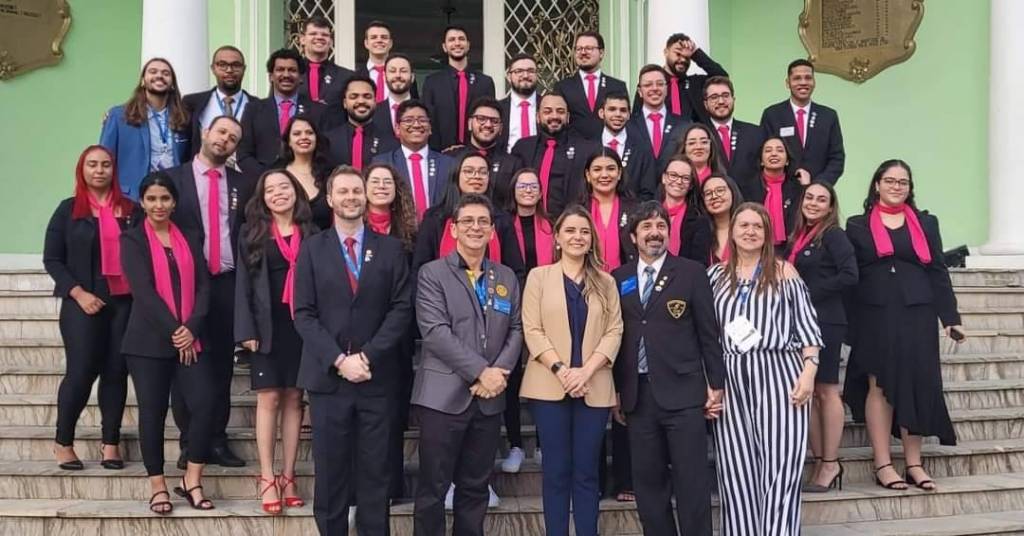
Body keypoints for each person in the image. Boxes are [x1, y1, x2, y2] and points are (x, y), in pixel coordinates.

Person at [293, 166, 413, 535]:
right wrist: (340, 360)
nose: (351, 197)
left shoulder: (391, 249)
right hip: (329, 381)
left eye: (356, 191)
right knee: (331, 474)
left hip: (377, 378)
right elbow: (303, 313)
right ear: (330, 199)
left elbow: (401, 308)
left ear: (366, 196)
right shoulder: (312, 249)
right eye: (343, 192)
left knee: (376, 473)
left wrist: (367, 356)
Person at [844, 160, 964, 491]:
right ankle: (883, 464)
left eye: (903, 182)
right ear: (877, 184)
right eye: (890, 180)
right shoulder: (857, 225)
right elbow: (852, 277)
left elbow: (937, 270)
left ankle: (913, 464)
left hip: (918, 311)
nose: (896, 186)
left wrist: (950, 318)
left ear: (910, 187)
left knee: (918, 384)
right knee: (879, 385)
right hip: (875, 314)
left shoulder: (926, 222)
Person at [708, 202, 823, 536]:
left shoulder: (785, 272)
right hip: (731, 378)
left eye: (758, 226)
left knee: (781, 466)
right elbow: (705, 334)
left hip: (778, 373)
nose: (750, 231)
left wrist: (809, 371)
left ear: (768, 233)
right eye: (743, 225)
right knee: (735, 469)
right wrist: (709, 383)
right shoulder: (714, 277)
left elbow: (808, 328)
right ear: (731, 232)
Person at [412, 193, 523, 536]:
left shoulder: (505, 276)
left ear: (492, 231)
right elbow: (435, 332)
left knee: (475, 489)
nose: (476, 228)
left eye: (483, 222)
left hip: (488, 401)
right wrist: (482, 372)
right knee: (432, 490)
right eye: (468, 221)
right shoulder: (432, 273)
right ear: (454, 229)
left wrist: (497, 374)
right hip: (442, 400)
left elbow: (517, 329)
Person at [612, 201, 725, 536]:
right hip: (638, 396)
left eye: (661, 226)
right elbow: (616, 338)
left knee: (692, 481)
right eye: (646, 227)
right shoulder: (618, 278)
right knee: (648, 484)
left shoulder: (691, 272)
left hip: (684, 393)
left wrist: (715, 383)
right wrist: (617, 390)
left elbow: (708, 332)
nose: (655, 233)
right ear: (633, 236)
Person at [520, 204, 623, 536]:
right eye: (570, 231)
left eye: (584, 231)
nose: (577, 237)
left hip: (594, 386)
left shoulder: (606, 282)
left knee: (587, 472)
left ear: (592, 239)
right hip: (549, 386)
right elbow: (532, 329)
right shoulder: (539, 277)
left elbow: (615, 331)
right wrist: (563, 370)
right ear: (558, 238)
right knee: (556, 471)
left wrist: (585, 372)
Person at [119, 172, 213, 514]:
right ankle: (158, 485)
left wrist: (191, 327)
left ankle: (192, 480)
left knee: (205, 404)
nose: (159, 205)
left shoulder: (189, 235)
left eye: (165, 198)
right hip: (147, 342)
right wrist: (177, 331)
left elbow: (204, 286)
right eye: (152, 199)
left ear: (174, 202)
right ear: (143, 203)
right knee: (153, 412)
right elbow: (143, 292)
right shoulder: (132, 240)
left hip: (191, 338)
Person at [43, 145, 139, 471]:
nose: (99, 170)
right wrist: (79, 293)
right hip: (81, 302)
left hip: (123, 302)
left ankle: (110, 443)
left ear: (114, 170)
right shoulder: (68, 210)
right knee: (81, 372)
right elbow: (52, 259)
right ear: (82, 170)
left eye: (106, 165)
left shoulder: (130, 210)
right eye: (93, 164)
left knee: (116, 372)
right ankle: (63, 442)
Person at [167, 116, 254, 469]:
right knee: (185, 363)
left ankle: (216, 439)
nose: (225, 140)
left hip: (227, 283)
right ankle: (190, 442)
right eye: (221, 132)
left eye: (233, 138)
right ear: (205, 133)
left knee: (220, 366)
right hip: (187, 284)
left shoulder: (243, 183)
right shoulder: (173, 179)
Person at [234, 169, 319, 514]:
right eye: (270, 190)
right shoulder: (251, 233)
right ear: (263, 198)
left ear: (296, 192)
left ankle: (289, 475)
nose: (278, 193)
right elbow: (243, 283)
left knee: (295, 398)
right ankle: (267, 476)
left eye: (284, 186)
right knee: (269, 397)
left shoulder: (312, 232)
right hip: (266, 324)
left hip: (303, 326)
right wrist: (246, 330)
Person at [784, 181, 858, 492]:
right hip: (801, 323)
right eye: (809, 197)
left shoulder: (834, 235)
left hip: (826, 321)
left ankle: (830, 463)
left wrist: (808, 292)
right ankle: (819, 460)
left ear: (830, 207)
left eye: (821, 199)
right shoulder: (798, 236)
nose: (813, 203)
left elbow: (850, 275)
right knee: (810, 393)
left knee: (827, 390)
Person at [363, 162, 419, 501]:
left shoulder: (408, 231)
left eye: (388, 182)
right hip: (358, 332)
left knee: (393, 413)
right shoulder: (351, 227)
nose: (382, 186)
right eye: (375, 181)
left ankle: (391, 486)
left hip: (397, 332)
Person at [500, 168, 555, 474]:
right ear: (513, 189)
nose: (528, 190)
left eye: (533, 185)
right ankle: (516, 445)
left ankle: (546, 444)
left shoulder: (552, 224)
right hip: (509, 303)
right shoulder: (502, 223)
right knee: (511, 376)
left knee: (544, 373)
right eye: (522, 185)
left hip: (547, 305)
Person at [412, 152, 526, 281]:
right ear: (456, 175)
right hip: (440, 292)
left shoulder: (501, 219)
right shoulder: (434, 218)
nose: (476, 176)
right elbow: (420, 269)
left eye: (482, 172)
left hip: (493, 291)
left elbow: (516, 272)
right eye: (469, 171)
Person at [100, 58, 190, 199]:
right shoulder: (119, 116)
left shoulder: (183, 118)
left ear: (172, 83)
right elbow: (104, 158)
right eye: (153, 72)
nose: (159, 75)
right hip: (130, 198)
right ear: (142, 80)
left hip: (171, 198)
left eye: (166, 73)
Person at [237, 48, 328, 174]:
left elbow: (324, 152)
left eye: (292, 70)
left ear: (301, 77)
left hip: (307, 179)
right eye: (280, 70)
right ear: (271, 77)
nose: (286, 75)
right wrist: (267, 178)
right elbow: (243, 155)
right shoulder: (253, 110)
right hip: (263, 180)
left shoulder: (318, 111)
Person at [510, 92, 600, 218]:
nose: (554, 116)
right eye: (548, 111)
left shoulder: (586, 150)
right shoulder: (522, 148)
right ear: (538, 117)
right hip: (529, 222)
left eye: (560, 111)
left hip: (570, 223)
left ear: (568, 117)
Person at [760, 59, 845, 185]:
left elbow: (837, 158)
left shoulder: (828, 116)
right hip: (782, 188)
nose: (803, 82)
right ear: (788, 83)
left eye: (808, 78)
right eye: (797, 78)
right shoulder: (772, 114)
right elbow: (764, 155)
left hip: (818, 190)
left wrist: (819, 185)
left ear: (814, 82)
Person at [371, 100, 454, 220]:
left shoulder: (448, 164)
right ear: (397, 128)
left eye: (422, 120)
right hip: (397, 228)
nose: (416, 125)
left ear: (430, 128)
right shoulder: (383, 163)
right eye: (408, 120)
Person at [421, 25, 496, 150]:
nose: (457, 43)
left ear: (468, 45)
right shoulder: (432, 82)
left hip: (477, 151)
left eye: (461, 39)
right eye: (452, 40)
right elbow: (427, 119)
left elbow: (491, 117)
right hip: (441, 151)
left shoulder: (485, 82)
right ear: (444, 47)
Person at [442, 98, 518, 207]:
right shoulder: (451, 158)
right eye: (481, 119)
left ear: (501, 128)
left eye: (494, 121)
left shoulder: (512, 164)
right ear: (469, 123)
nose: (488, 125)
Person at [554, 31, 628, 141]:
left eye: (588, 48)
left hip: (607, 148)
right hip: (573, 146)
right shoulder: (563, 87)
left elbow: (625, 121)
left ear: (601, 53)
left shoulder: (617, 86)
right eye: (579, 49)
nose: (583, 52)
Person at [183, 46, 253, 158]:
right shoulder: (192, 103)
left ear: (244, 69)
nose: (229, 70)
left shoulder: (259, 106)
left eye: (236, 65)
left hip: (244, 168)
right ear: (213, 68)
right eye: (222, 65)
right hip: (202, 167)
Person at [643, 33, 729, 124]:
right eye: (678, 54)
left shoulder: (695, 84)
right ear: (666, 52)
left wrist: (696, 53)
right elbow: (637, 118)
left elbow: (722, 77)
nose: (683, 60)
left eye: (687, 57)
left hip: (693, 132)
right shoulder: (651, 85)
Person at [626, 65, 691, 178]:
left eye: (660, 84)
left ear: (666, 89)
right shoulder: (628, 125)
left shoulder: (683, 125)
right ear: (640, 91)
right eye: (648, 85)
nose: (655, 88)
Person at [702, 76, 763, 192]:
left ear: (733, 99)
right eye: (714, 97)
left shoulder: (755, 133)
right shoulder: (700, 136)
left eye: (725, 95)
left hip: (750, 199)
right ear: (705, 104)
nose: (721, 101)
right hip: (713, 198)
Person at [324, 75, 398, 170]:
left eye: (367, 96)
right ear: (345, 103)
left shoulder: (391, 143)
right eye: (354, 97)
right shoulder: (327, 141)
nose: (361, 101)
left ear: (375, 102)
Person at [274, 116, 334, 229]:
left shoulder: (330, 175)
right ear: (288, 141)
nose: (304, 137)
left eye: (309, 133)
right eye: (297, 134)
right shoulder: (275, 174)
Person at [598, 91, 657, 201]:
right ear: (602, 113)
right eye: (612, 109)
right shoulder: (588, 147)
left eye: (623, 110)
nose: (618, 114)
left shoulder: (643, 149)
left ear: (629, 115)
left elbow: (648, 192)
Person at [751, 137, 805, 249]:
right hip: (755, 247)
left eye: (780, 150)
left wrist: (806, 186)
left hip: (791, 248)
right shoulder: (748, 188)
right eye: (768, 150)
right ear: (761, 161)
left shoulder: (798, 188)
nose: (774, 154)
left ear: (787, 160)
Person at [659, 154, 712, 266]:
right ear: (664, 178)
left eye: (685, 178)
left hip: (685, 275)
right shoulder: (648, 214)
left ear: (691, 185)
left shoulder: (700, 221)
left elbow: (699, 264)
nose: (679, 181)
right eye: (673, 175)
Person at [296, 16, 354, 111]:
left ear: (331, 42)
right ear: (302, 39)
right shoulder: (290, 74)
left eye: (325, 35)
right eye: (313, 34)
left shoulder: (347, 76)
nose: (319, 37)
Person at [356, 20, 419, 102]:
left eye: (384, 37)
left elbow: (414, 103)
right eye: (374, 37)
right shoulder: (356, 76)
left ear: (390, 43)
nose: (379, 40)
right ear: (366, 43)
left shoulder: (405, 76)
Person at [498, 53, 539, 153]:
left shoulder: (547, 107)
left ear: (537, 75)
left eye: (530, 71)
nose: (525, 75)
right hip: (508, 160)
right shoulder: (498, 108)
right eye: (519, 71)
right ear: (509, 76)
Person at [700, 173, 744, 264]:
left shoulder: (747, 228)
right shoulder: (699, 233)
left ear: (732, 192)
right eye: (708, 194)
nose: (714, 196)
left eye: (720, 190)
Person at [372, 54, 416, 134]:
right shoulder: (372, 112)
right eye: (392, 71)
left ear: (412, 77)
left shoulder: (425, 111)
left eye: (403, 71)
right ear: (384, 77)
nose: (398, 75)